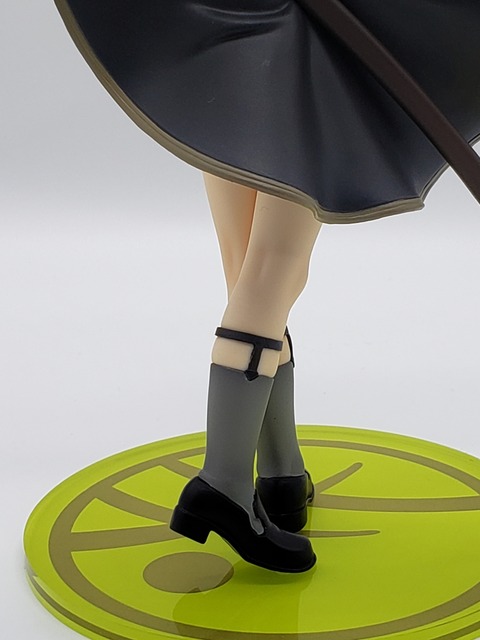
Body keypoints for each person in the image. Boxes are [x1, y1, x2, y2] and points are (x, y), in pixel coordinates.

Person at [52, 0, 480, 572]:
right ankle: (224, 482)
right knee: (276, 268)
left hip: (228, 38)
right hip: (298, 47)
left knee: (246, 264)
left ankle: (280, 472)